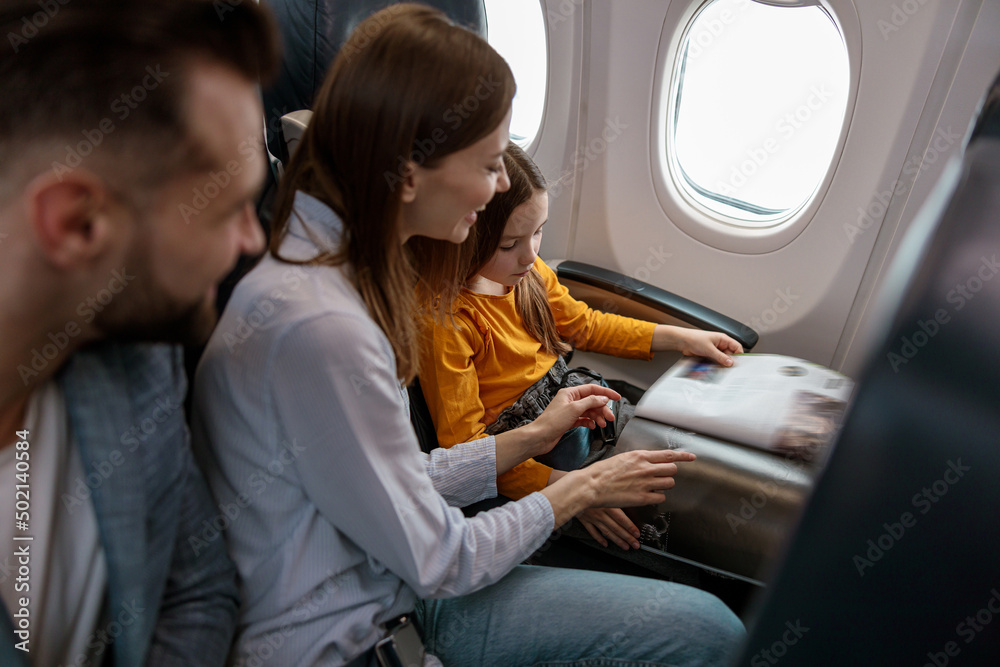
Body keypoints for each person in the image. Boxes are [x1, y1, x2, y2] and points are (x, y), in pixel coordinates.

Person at [192, 4, 744, 666]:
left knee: (705, 627)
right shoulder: (321, 327)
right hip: (360, 635)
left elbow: (397, 477)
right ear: (407, 173)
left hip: (399, 583)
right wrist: (581, 489)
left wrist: (533, 436)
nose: (504, 182)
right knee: (705, 633)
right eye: (488, 162)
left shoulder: (343, 274)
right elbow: (440, 556)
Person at [0, 0, 280, 664]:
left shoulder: (137, 355)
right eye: (233, 208)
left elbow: (198, 591)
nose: (255, 238)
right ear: (77, 224)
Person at [417, 142, 744, 550]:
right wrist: (572, 493)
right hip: (533, 463)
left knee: (701, 465)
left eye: (538, 232)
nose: (530, 254)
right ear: (462, 235)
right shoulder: (446, 321)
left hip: (578, 414)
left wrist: (679, 337)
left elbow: (587, 325)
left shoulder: (529, 273)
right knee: (666, 521)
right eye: (508, 245)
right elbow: (472, 457)